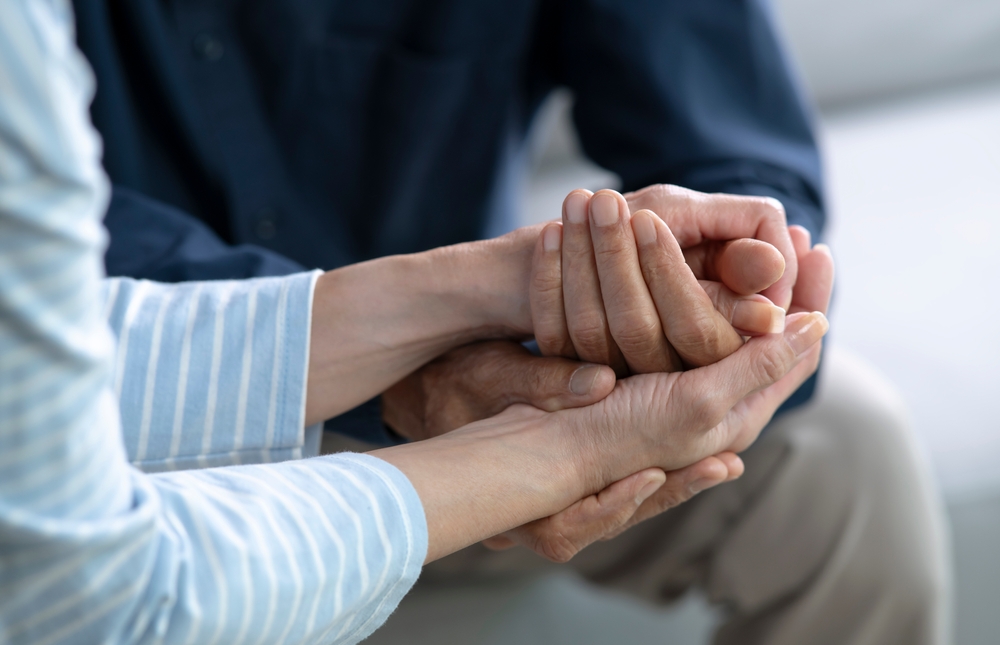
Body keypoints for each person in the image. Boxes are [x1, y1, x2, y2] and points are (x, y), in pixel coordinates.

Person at [71, 1, 951, 643]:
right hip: (106, 411)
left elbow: (737, 151)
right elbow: (43, 260)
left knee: (847, 448)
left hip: (515, 375)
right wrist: (415, 375)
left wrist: (698, 299)